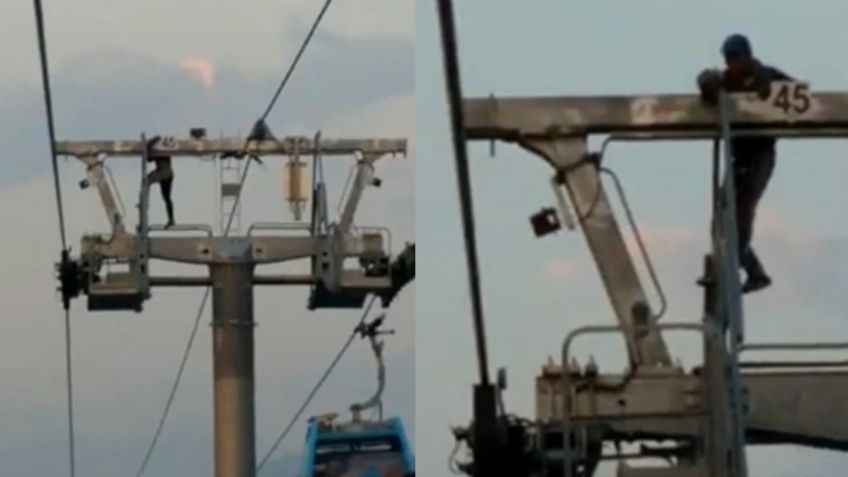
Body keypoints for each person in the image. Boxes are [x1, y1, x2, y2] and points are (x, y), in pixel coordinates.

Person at [696, 34, 793, 293]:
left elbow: (799, 98)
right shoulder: (728, 82)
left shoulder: (768, 75)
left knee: (743, 208)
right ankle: (747, 269)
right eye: (728, 60)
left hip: (760, 153)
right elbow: (706, 80)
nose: (732, 65)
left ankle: (749, 269)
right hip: (739, 156)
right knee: (722, 214)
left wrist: (769, 92)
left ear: (747, 56)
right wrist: (710, 84)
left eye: (736, 58)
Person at [145, 135, 175, 228]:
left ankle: (144, 210)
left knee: (146, 182)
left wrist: (149, 146)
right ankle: (171, 219)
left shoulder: (162, 149)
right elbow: (149, 159)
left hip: (163, 172)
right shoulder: (162, 149)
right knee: (166, 198)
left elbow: (148, 159)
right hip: (168, 174)